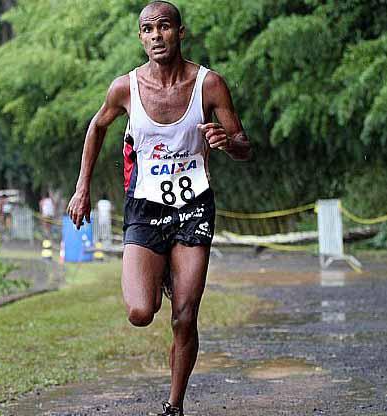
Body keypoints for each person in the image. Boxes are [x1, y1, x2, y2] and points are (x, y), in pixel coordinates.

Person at [67, 2, 251, 415]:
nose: (156, 36)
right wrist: (82, 188)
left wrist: (227, 141)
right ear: (140, 37)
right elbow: (97, 126)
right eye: (148, 29)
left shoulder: (209, 85)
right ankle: (163, 276)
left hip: (194, 207)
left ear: (180, 33)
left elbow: (244, 146)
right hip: (145, 208)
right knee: (139, 312)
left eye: (164, 27)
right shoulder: (125, 88)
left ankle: (174, 404)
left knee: (185, 315)